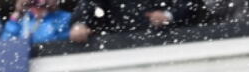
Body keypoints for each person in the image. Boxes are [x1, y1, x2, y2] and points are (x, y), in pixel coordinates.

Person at [68, 0, 200, 43]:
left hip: (169, 43)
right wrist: (79, 24)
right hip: (120, 46)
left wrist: (169, 15)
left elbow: (192, 5)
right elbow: (87, 5)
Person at [0, 0, 72, 44]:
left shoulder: (64, 18)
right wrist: (14, 20)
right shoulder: (22, 20)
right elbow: (4, 45)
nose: (37, 4)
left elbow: (62, 42)